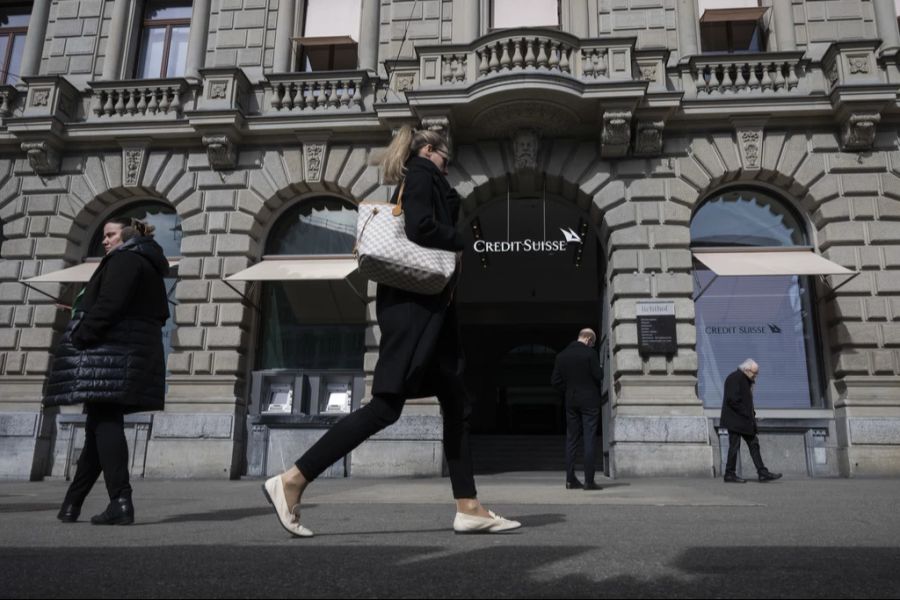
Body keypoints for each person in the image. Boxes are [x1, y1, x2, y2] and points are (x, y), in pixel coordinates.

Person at [261, 126, 521, 537]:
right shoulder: (420, 174)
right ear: (430, 151)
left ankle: (469, 506)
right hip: (415, 311)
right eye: (445, 159)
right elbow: (419, 227)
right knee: (386, 406)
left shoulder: (427, 177)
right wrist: (460, 242)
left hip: (429, 312)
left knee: (457, 403)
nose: (446, 167)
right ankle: (293, 479)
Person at [44, 218, 170, 525]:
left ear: (126, 236)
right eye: (103, 235)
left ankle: (121, 500)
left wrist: (81, 334)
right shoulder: (147, 264)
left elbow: (110, 303)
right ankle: (72, 504)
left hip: (110, 353)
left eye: (110, 234)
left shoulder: (126, 259)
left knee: (104, 421)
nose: (104, 240)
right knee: (98, 429)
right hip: (126, 353)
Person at [551, 328, 603, 491]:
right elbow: (599, 375)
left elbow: (555, 381)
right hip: (589, 400)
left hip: (571, 400)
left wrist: (568, 390)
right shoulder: (590, 354)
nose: (592, 346)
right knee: (589, 438)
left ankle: (570, 479)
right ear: (588, 339)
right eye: (592, 343)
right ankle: (589, 481)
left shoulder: (561, 356)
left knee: (571, 439)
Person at [720, 359, 783, 483]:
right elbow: (732, 399)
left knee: (753, 444)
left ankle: (762, 472)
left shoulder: (745, 380)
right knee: (734, 446)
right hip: (736, 420)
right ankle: (729, 473)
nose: (755, 376)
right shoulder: (735, 378)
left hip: (744, 421)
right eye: (754, 373)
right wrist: (746, 413)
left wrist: (751, 414)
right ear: (746, 370)